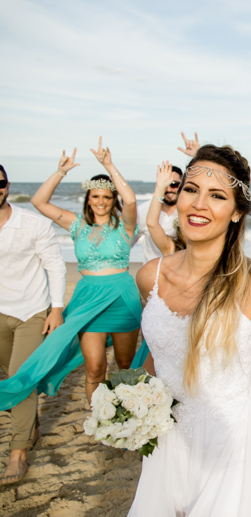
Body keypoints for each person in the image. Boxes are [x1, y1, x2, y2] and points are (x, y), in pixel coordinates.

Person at [128, 144, 251, 515]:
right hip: (168, 442)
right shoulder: (151, 275)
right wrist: (131, 406)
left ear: (237, 212)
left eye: (216, 196)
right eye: (191, 190)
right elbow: (158, 355)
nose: (198, 204)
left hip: (234, 445)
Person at [0, 139, 141, 408]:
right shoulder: (76, 225)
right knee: (96, 368)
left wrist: (108, 164)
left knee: (124, 365)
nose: (101, 202)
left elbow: (131, 198)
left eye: (107, 197)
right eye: (95, 196)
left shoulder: (125, 226)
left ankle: (130, 418)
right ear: (88, 198)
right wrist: (61, 172)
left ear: (114, 200)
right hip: (88, 297)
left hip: (122, 297)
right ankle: (98, 420)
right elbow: (38, 201)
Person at [0, 164, 66, 485]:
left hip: (31, 311)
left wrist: (56, 309)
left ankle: (17, 454)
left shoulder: (32, 225)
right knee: (11, 377)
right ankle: (33, 429)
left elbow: (54, 265)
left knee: (19, 380)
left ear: (7, 185)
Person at [144, 161, 186, 257]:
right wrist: (160, 188)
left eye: (174, 184)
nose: (168, 189)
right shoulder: (171, 249)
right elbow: (152, 224)